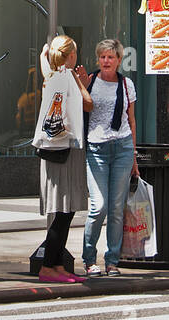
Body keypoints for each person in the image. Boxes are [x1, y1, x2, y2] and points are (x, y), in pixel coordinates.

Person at [31, 35, 92, 284]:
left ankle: (55, 265)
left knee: (63, 211)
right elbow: (88, 104)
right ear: (71, 56)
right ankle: (49, 266)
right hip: (66, 150)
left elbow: (45, 55)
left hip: (54, 150)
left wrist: (47, 53)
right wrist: (81, 81)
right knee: (64, 212)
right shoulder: (67, 77)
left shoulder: (51, 75)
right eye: (74, 52)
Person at [74, 39, 138, 277]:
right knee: (98, 206)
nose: (106, 61)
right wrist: (81, 86)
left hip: (121, 146)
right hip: (97, 148)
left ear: (119, 60)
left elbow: (131, 120)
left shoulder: (126, 84)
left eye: (111, 57)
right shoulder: (90, 81)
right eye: (102, 57)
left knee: (116, 208)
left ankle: (112, 260)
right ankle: (89, 259)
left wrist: (134, 156)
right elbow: (79, 109)